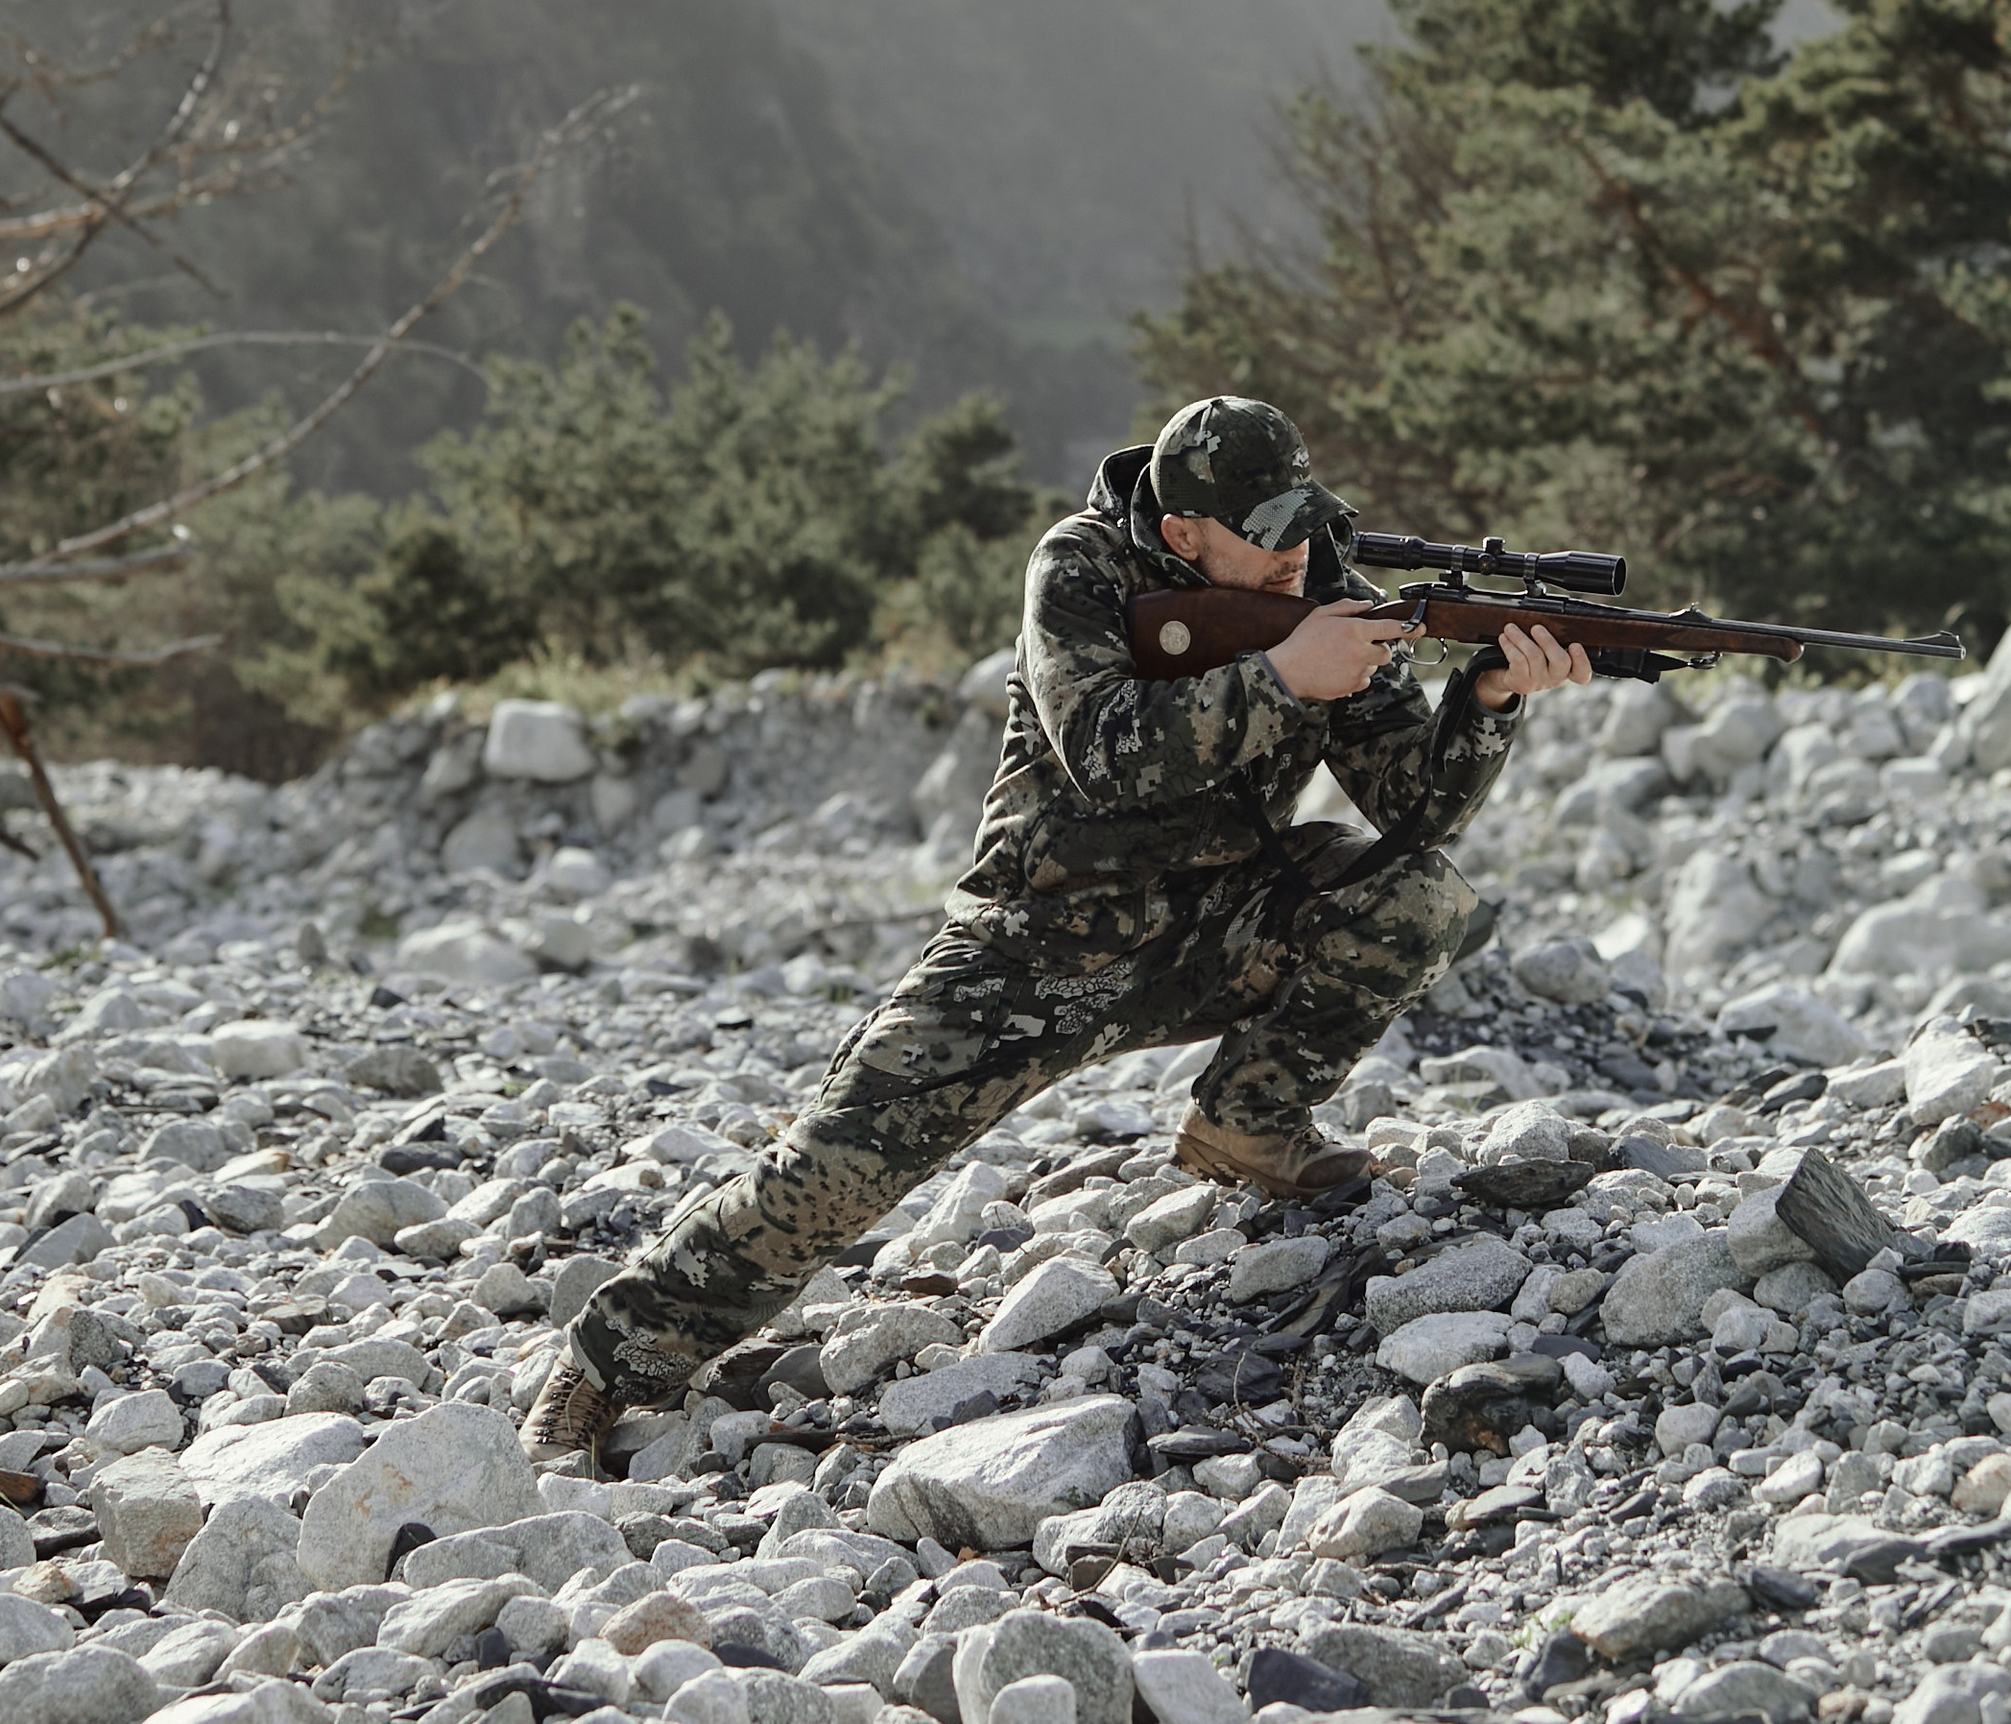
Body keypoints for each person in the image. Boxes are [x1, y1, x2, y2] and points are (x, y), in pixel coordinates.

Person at [520, 392, 1589, 1472]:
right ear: (1183, 533)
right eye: (1266, 539)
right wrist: (1280, 680)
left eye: (1305, 528)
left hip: (1216, 923)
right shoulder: (1079, 568)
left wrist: (1488, 702)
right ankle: (609, 1362)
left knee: (1418, 896)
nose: (1296, 558)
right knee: (834, 1171)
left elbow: (1412, 809)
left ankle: (1249, 1123)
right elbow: (1106, 755)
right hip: (1035, 949)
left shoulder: (1317, 586)